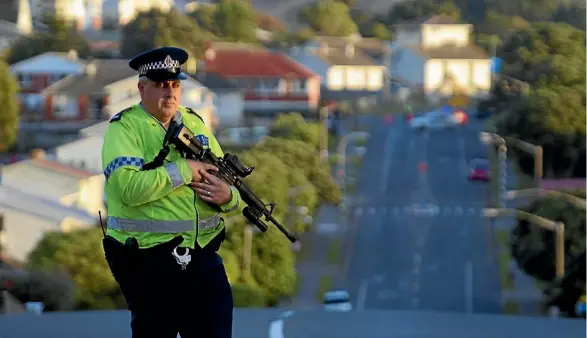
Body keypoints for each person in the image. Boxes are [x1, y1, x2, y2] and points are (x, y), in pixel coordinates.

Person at [101, 46, 240, 338]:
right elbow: (126, 188)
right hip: (149, 261)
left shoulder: (194, 123)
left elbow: (231, 187)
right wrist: (183, 171)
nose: (170, 92)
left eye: (175, 85)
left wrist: (227, 197)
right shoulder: (125, 128)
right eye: (161, 85)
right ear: (142, 88)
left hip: (202, 257)